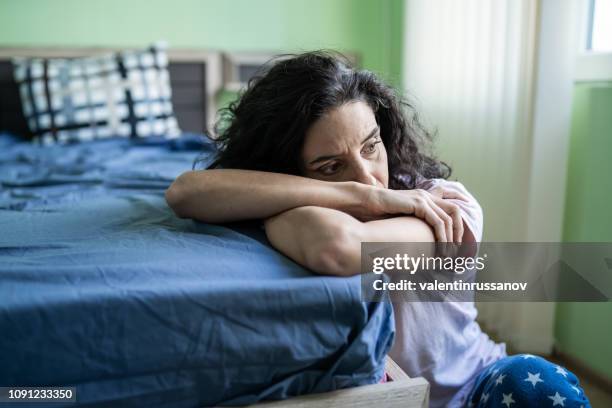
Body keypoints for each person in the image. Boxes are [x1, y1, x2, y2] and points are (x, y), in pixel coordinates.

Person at [165, 51, 591, 408]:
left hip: (475, 387)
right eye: (331, 166)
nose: (368, 177)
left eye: (372, 146)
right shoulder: (332, 203)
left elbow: (339, 247)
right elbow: (186, 193)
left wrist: (335, 194)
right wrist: (366, 199)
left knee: (533, 380)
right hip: (384, 395)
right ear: (287, 170)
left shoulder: (445, 206)